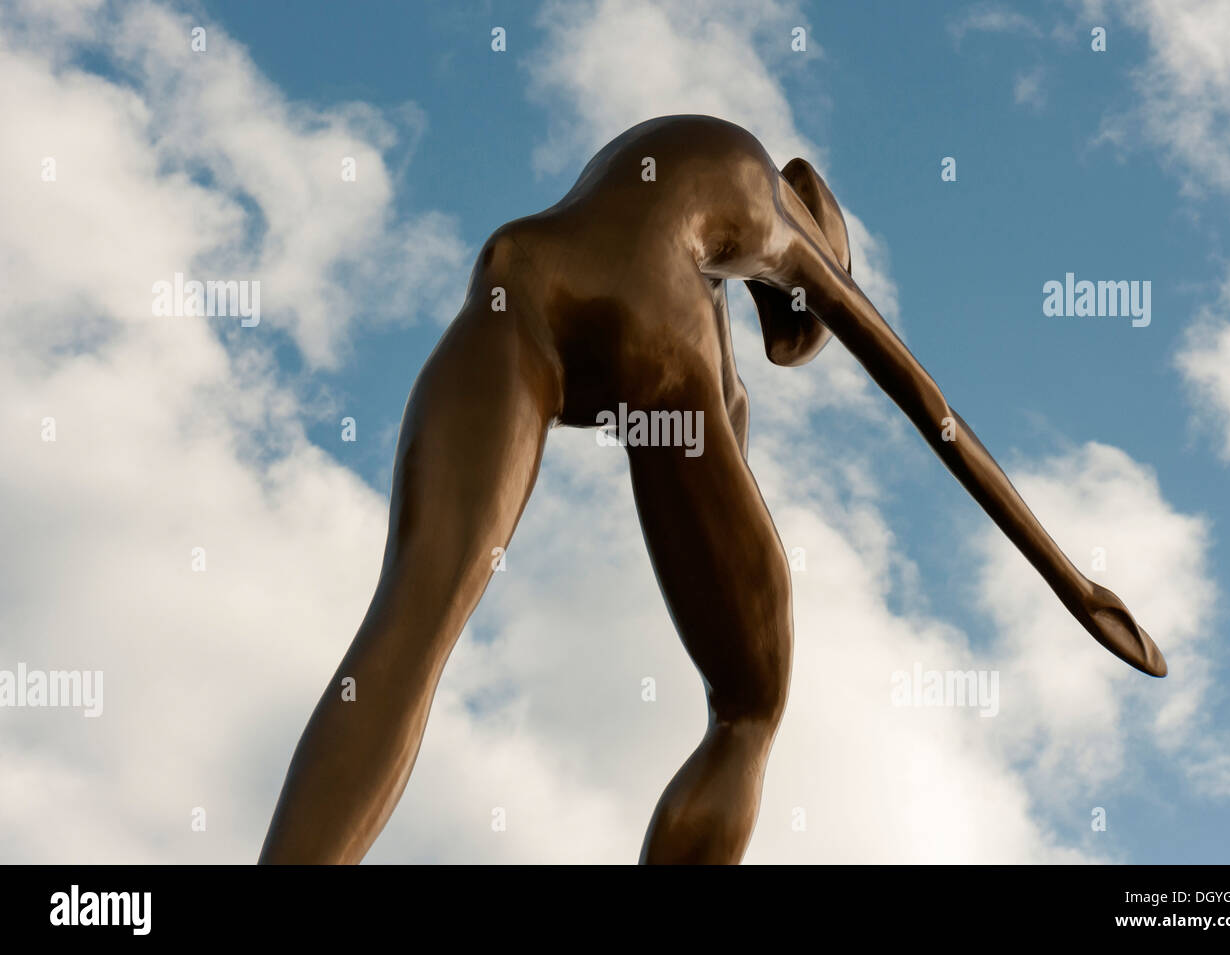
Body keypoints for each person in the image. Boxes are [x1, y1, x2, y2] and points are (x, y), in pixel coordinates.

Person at [259, 115, 1166, 866]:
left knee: (414, 612)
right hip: (645, 340)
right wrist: (1073, 585)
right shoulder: (775, 215)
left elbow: (712, 383)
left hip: (516, 287)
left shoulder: (677, 181)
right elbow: (931, 407)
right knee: (750, 705)